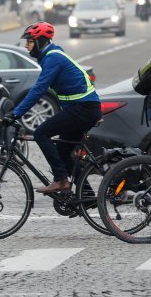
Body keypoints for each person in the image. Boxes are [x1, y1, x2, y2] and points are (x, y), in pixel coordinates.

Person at [10, 22, 101, 194]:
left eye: (29, 42)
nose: (26, 46)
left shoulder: (53, 57)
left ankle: (61, 180)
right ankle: (87, 194)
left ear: (40, 41)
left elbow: (39, 89)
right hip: (82, 108)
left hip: (82, 108)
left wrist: (16, 113)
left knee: (41, 133)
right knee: (63, 150)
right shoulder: (51, 55)